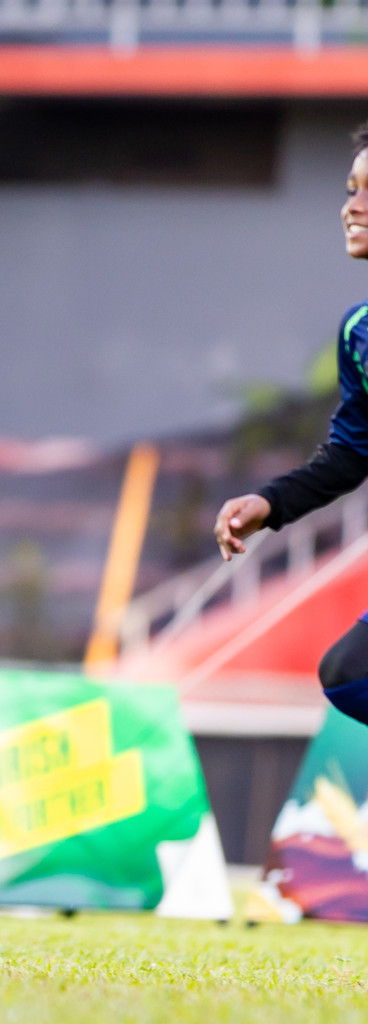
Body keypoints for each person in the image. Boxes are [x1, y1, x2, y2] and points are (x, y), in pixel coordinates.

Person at [215, 120, 368, 731]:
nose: (351, 207)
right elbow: (353, 452)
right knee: (349, 674)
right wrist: (270, 503)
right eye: (350, 187)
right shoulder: (360, 333)